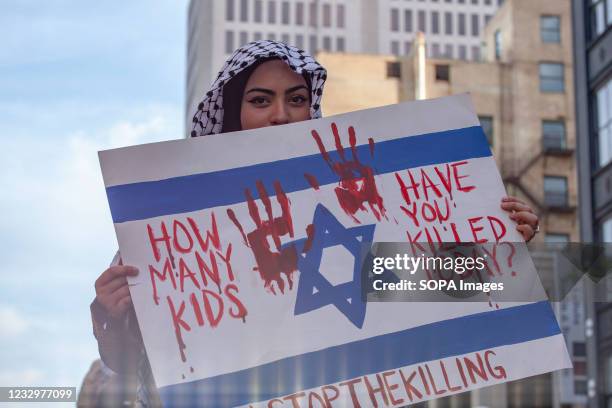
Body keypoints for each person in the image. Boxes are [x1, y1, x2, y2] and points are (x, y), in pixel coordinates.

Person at [90, 40, 539, 407]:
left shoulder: (350, 202)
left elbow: (422, 283)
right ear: (231, 111)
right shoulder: (170, 221)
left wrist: (502, 245)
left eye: (297, 99)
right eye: (260, 100)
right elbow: (132, 366)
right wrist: (112, 314)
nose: (280, 115)